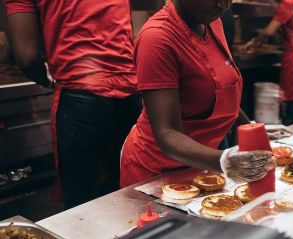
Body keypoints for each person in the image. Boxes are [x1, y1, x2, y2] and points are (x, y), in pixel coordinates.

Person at [119, 0, 275, 188]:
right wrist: (225, 161)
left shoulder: (212, 22)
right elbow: (167, 134)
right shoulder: (157, 38)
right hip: (156, 172)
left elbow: (223, 93)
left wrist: (252, 129)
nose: (224, 4)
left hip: (200, 165)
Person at [3, 0, 141, 209]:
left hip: (81, 96)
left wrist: (49, 80)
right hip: (131, 93)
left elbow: (27, 57)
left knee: (82, 204)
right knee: (130, 195)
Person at [245, 0, 293, 125]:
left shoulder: (287, 4)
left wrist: (253, 43)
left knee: (291, 102)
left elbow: (268, 31)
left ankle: (290, 133)